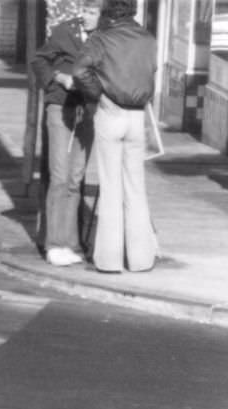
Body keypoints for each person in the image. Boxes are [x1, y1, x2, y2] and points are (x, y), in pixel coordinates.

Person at [73, 0, 158, 273]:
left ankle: (109, 260)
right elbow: (151, 70)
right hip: (138, 115)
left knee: (110, 188)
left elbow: (79, 70)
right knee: (136, 187)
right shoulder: (147, 38)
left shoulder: (101, 39)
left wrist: (97, 94)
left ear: (108, 12)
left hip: (110, 112)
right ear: (132, 11)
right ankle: (141, 259)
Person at [32, 0, 102, 268]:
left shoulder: (105, 39)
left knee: (75, 178)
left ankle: (70, 243)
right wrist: (58, 78)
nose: (86, 16)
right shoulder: (64, 31)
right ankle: (53, 244)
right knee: (59, 175)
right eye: (84, 10)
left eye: (92, 12)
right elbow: (39, 59)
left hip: (87, 110)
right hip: (60, 106)